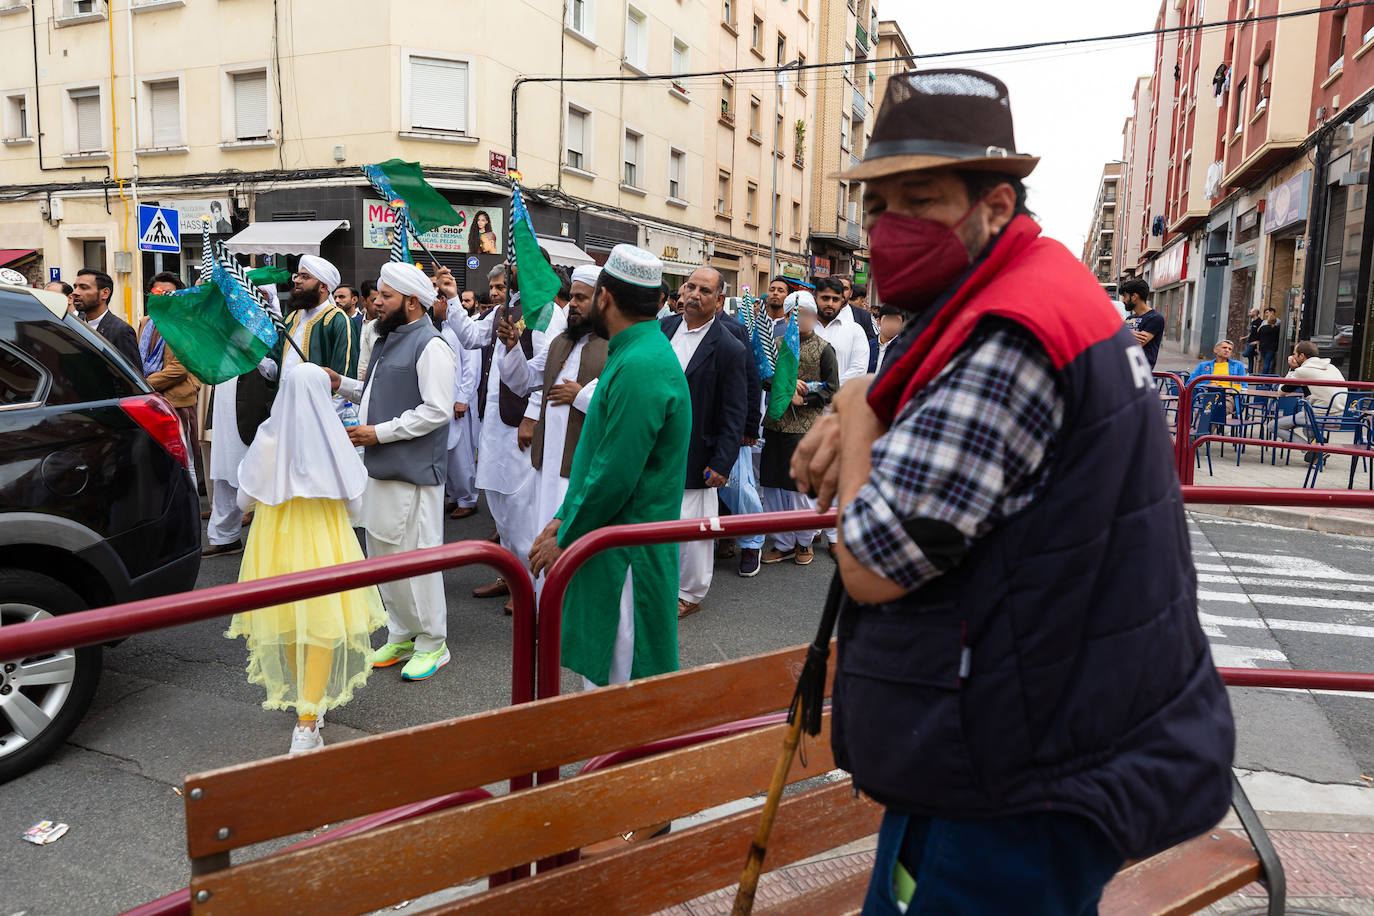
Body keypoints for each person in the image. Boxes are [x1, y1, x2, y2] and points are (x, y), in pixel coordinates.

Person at [792, 68, 1233, 913]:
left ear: (994, 205)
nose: (888, 230)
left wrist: (856, 410)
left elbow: (873, 564)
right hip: (1041, 734)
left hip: (1014, 770)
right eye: (876, 207)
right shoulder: (1044, 289)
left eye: (918, 201)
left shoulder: (1010, 333)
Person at [527, 244, 691, 688]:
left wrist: (565, 532)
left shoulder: (641, 365)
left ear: (604, 298)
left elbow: (615, 474)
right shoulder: (634, 353)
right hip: (613, 541)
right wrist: (565, 519)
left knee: (623, 697)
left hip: (627, 557)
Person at [225, 364, 386, 753]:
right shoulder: (333, 439)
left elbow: (243, 499)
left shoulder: (268, 437)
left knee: (288, 621)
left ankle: (305, 706)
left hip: (273, 540)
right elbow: (355, 504)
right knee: (322, 624)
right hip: (324, 537)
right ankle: (307, 720)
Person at [328, 262, 457, 681]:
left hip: (413, 472)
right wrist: (341, 383)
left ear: (412, 303)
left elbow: (436, 411)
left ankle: (433, 643)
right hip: (379, 468)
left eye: (385, 296)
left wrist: (377, 434)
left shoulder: (431, 345)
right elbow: (370, 391)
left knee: (417, 559)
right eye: (377, 295)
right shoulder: (387, 339)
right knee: (384, 555)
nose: (376, 302)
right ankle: (402, 633)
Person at [437, 259, 567, 607]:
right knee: (499, 504)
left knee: (520, 506)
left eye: (515, 262)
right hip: (494, 423)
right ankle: (512, 575)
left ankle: (531, 586)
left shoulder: (545, 312)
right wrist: (451, 297)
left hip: (518, 424)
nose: (510, 267)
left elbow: (548, 368)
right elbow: (470, 336)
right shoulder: (504, 309)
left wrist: (531, 416)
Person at [498, 264, 608, 590]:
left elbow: (622, 402)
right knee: (541, 535)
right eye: (571, 297)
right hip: (546, 464)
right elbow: (525, 381)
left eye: (581, 298)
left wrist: (581, 395)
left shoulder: (614, 346)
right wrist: (513, 347)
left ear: (602, 302)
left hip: (579, 469)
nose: (572, 304)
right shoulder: (561, 342)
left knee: (571, 549)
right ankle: (541, 614)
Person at [660, 267, 749, 619]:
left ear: (719, 300)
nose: (694, 295)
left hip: (699, 452)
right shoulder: (662, 329)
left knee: (694, 527)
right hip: (657, 447)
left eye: (705, 290)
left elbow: (734, 410)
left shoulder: (729, 347)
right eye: (691, 287)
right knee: (660, 519)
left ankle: (690, 593)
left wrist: (722, 463)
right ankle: (660, 583)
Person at [760, 291, 838, 565]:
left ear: (813, 317)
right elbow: (764, 378)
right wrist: (786, 386)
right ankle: (782, 543)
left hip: (806, 427)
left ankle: (804, 543)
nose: (799, 319)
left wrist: (803, 398)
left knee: (799, 490)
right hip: (775, 424)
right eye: (793, 314)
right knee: (773, 486)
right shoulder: (776, 345)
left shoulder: (824, 348)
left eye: (804, 314)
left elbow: (832, 390)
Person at [204, 284, 280, 558]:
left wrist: (255, 356)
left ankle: (266, 542)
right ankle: (225, 537)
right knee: (224, 475)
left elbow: (276, 371)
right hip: (226, 411)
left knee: (256, 476)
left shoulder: (272, 327)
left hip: (253, 413)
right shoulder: (229, 324)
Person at [139, 272, 202, 489]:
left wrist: (144, 383)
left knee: (185, 461)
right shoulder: (145, 322)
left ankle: (192, 510)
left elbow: (179, 369)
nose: (164, 296)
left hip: (177, 402)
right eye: (158, 292)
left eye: (169, 293)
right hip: (149, 402)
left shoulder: (184, 324)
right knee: (157, 460)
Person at [262, 256, 358, 383]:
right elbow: (276, 372)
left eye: (305, 277)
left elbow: (343, 379)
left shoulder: (338, 321)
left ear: (323, 287)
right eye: (297, 276)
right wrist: (255, 355)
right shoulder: (290, 320)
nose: (297, 281)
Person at [435, 292, 480, 519]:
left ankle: (468, 498)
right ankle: (454, 495)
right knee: (449, 451)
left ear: (444, 301)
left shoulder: (463, 327)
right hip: (446, 399)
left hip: (458, 402)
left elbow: (472, 366)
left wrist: (463, 398)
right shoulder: (445, 328)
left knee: (461, 452)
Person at [1273, 340, 1348, 456]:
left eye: (1294, 354)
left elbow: (1281, 392)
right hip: (1338, 417)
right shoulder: (1331, 367)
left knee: (1273, 425)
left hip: (1318, 416)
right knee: (1306, 428)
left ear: (1301, 356)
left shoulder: (1303, 371)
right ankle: (1318, 446)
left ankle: (1312, 450)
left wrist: (1292, 369)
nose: (1292, 357)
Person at [73, 268, 141, 370]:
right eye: (75, 287)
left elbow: (133, 377)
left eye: (83, 287)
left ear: (105, 293)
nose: (75, 292)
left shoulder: (121, 331)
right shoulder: (74, 323)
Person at [813, 276, 870, 385]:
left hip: (839, 398)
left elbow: (859, 369)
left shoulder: (855, 331)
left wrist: (830, 388)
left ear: (842, 301)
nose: (830, 303)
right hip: (804, 398)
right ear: (815, 299)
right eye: (825, 298)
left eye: (835, 299)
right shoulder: (803, 328)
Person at [1121, 277, 1164, 368]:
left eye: (1125, 296)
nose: (1123, 300)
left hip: (1139, 374)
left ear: (1134, 297)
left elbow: (1133, 345)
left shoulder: (1155, 318)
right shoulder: (1129, 318)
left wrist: (1122, 335)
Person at [874, 305, 904, 372]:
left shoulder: (904, 349)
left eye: (896, 320)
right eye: (887, 319)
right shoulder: (867, 345)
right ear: (878, 322)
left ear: (902, 324)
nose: (891, 324)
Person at [1256, 307, 1281, 375]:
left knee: (1265, 362)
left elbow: (1258, 337)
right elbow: (1278, 338)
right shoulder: (1276, 329)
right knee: (1268, 362)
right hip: (1271, 348)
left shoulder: (1262, 328)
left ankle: (1265, 378)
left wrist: (1258, 347)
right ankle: (1265, 378)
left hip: (1263, 347)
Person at [1243, 308, 1261, 374]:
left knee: (1245, 354)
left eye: (1251, 312)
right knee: (1250, 358)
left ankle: (1256, 353)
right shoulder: (1252, 322)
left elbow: (1260, 333)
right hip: (1249, 341)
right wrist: (1244, 337)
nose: (1249, 313)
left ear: (1255, 313)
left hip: (1254, 342)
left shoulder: (1259, 322)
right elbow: (1251, 333)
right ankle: (1250, 372)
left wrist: (1257, 341)